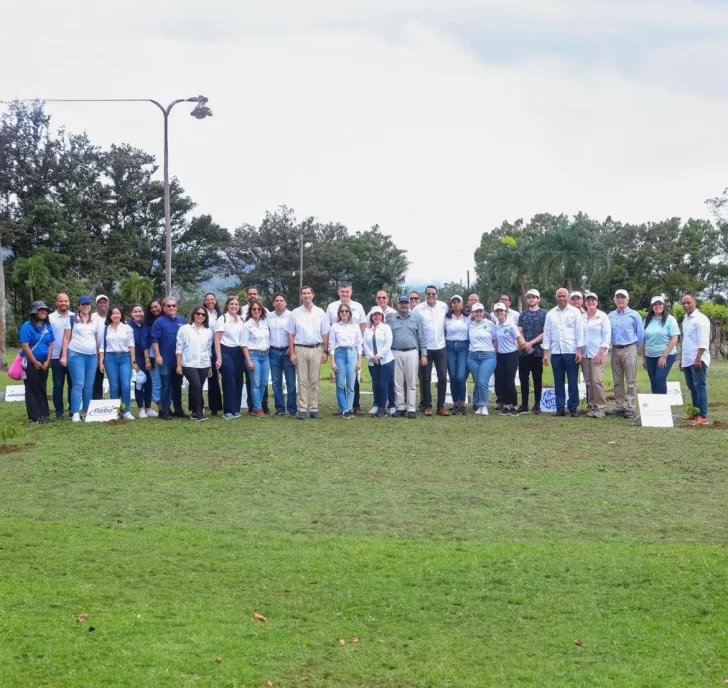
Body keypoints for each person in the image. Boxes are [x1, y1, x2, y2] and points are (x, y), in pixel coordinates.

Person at [288, 286, 330, 420]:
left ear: (313, 295)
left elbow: (325, 333)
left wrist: (325, 351)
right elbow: (291, 334)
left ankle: (314, 408)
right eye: (304, 293)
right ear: (301, 296)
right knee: (302, 380)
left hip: (317, 348)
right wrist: (292, 353)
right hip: (300, 348)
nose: (306, 296)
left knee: (314, 380)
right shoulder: (295, 313)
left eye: (308, 293)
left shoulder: (320, 312)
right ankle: (302, 409)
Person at [543, 288, 585, 417]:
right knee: (558, 381)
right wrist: (545, 353)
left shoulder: (575, 312)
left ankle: (573, 408)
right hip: (556, 352)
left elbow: (579, 332)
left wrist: (579, 351)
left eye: (564, 296)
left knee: (572, 381)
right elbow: (547, 334)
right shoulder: (551, 314)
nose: (562, 298)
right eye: (559, 296)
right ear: (556, 298)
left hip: (571, 351)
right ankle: (560, 408)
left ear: (568, 297)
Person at [327, 283, 367, 414]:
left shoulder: (358, 309)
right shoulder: (332, 309)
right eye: (342, 291)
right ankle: (344, 408)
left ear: (351, 292)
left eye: (347, 291)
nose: (345, 293)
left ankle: (351, 407)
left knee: (352, 383)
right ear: (339, 292)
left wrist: (360, 358)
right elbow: (330, 338)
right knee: (339, 383)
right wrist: (331, 359)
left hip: (352, 353)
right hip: (339, 353)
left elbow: (361, 333)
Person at [607, 289, 644, 419]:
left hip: (629, 348)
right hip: (615, 349)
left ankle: (630, 407)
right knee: (617, 381)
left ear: (627, 300)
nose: (620, 300)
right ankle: (619, 407)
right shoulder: (610, 315)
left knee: (631, 380)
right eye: (618, 298)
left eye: (623, 298)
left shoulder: (634, 315)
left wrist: (634, 347)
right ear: (615, 300)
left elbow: (640, 334)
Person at [414, 285, 450, 416]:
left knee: (442, 377)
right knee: (426, 378)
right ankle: (428, 406)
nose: (431, 296)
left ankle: (441, 406)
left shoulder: (443, 306)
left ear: (437, 295)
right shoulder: (418, 309)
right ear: (425, 295)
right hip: (426, 348)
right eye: (428, 294)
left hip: (441, 347)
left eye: (433, 294)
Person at [389, 295, 427, 418]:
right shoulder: (392, 319)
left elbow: (421, 337)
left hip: (412, 352)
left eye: (406, 303)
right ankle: (400, 407)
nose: (404, 305)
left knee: (411, 382)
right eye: (402, 303)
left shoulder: (416, 318)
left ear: (409, 304)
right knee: (398, 382)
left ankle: (411, 408)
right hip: (396, 352)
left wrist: (424, 355)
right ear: (397, 304)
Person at [61, 295, 98, 422]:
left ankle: (86, 411)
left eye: (87, 304)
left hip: (92, 356)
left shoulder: (95, 320)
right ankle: (75, 412)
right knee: (78, 384)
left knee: (89, 385)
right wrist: (64, 356)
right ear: (79, 306)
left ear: (90, 305)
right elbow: (66, 339)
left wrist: (99, 355)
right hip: (76, 355)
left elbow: (97, 339)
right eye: (83, 304)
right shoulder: (72, 319)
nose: (86, 306)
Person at [98, 306, 137, 420]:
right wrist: (101, 362)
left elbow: (131, 345)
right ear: (110, 316)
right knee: (114, 387)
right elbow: (101, 347)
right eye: (113, 313)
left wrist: (133, 361)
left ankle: (126, 411)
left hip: (125, 357)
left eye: (118, 313)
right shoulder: (106, 329)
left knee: (125, 386)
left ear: (121, 315)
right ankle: (114, 411)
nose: (115, 315)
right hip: (110, 358)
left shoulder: (127, 328)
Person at [151, 297, 187, 420]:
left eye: (173, 305)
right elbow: (154, 340)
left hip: (179, 360)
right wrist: (157, 355)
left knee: (177, 385)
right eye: (169, 306)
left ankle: (178, 409)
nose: (172, 308)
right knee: (165, 386)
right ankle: (164, 410)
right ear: (164, 308)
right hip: (165, 359)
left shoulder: (182, 321)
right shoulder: (159, 322)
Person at [19, 300, 54, 424]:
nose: (44, 312)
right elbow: (25, 345)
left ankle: (44, 414)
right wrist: (34, 361)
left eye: (45, 310)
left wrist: (48, 360)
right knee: (31, 388)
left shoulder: (48, 326)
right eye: (41, 310)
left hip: (44, 363)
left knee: (41, 387)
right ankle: (35, 416)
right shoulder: (27, 326)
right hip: (30, 362)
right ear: (35, 312)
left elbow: (50, 345)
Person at [176, 306, 213, 422]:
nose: (200, 316)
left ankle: (194, 411)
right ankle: (199, 412)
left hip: (204, 363)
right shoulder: (184, 329)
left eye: (203, 314)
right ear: (193, 314)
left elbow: (208, 349)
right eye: (198, 313)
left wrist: (210, 366)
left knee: (197, 387)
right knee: (196, 385)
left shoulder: (208, 331)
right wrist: (178, 365)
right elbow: (179, 347)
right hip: (188, 363)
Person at [680, 294, 711, 426]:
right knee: (692, 387)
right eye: (684, 303)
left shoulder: (701, 319)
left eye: (689, 302)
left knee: (700, 387)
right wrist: (682, 360)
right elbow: (686, 341)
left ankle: (702, 415)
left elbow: (703, 342)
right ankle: (694, 412)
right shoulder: (685, 320)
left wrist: (698, 359)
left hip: (697, 359)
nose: (686, 305)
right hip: (687, 359)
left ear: (695, 302)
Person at [214, 296, 246, 420]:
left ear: (239, 307)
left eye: (236, 304)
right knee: (229, 380)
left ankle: (236, 409)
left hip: (238, 352)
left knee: (238, 380)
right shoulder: (222, 319)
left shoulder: (241, 320)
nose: (234, 306)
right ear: (227, 306)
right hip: (225, 351)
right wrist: (219, 358)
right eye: (231, 304)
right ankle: (227, 410)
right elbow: (217, 340)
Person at [582, 292, 611, 418]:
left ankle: (600, 407)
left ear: (597, 302)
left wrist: (601, 353)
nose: (590, 302)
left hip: (598, 354)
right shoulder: (581, 316)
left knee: (597, 380)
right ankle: (592, 406)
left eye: (593, 300)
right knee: (588, 381)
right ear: (585, 302)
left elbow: (607, 336)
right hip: (584, 354)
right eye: (588, 300)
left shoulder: (603, 316)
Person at [642, 296, 680, 395]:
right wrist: (644, 357)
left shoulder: (670, 319)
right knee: (653, 381)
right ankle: (656, 407)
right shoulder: (647, 320)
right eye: (655, 304)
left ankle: (663, 407)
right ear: (652, 306)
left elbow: (674, 338)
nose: (658, 306)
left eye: (660, 304)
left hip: (666, 354)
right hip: (650, 356)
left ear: (664, 305)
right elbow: (644, 340)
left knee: (660, 379)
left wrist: (664, 356)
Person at [517, 288, 546, 414]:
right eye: (529, 297)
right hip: (524, 352)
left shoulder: (545, 314)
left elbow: (546, 333)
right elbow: (519, 332)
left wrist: (531, 343)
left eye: (534, 297)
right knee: (523, 379)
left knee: (537, 379)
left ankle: (537, 404)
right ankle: (524, 404)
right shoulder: (522, 314)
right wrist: (525, 345)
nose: (531, 299)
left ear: (538, 299)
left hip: (538, 352)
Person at [241, 286, 269, 414]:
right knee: (255, 383)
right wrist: (249, 360)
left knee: (263, 383)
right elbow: (244, 344)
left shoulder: (265, 322)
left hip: (265, 355)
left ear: (261, 310)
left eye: (258, 309)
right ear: (250, 311)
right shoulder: (247, 325)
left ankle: (259, 405)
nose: (256, 310)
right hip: (253, 355)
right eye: (254, 309)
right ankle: (257, 408)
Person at [268, 292, 297, 417]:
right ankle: (280, 408)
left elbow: (296, 333)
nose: (279, 302)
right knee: (276, 382)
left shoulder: (292, 316)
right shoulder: (268, 316)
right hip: (273, 352)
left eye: (281, 300)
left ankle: (292, 409)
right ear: (273, 303)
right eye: (277, 300)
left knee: (291, 382)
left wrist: (292, 350)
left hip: (287, 352)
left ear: (286, 303)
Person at [494, 303, 525, 415]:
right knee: (502, 381)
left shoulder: (511, 325)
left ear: (505, 312)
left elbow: (521, 342)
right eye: (497, 311)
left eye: (501, 311)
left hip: (511, 355)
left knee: (510, 381)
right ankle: (507, 405)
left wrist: (516, 352)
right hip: (501, 356)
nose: (499, 313)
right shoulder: (497, 324)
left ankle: (514, 406)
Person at [363, 306, 394, 419]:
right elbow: (365, 345)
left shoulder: (386, 328)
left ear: (382, 316)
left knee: (383, 384)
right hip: (372, 362)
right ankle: (377, 406)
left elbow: (388, 343)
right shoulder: (367, 330)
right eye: (374, 315)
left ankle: (382, 409)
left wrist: (378, 356)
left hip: (386, 361)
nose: (377, 317)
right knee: (376, 384)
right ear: (371, 317)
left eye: (379, 315)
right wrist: (372, 357)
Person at [467, 303, 497, 416]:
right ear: (472, 313)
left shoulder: (490, 324)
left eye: (480, 311)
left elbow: (495, 340)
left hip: (488, 356)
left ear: (483, 312)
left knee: (482, 381)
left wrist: (495, 354)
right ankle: (479, 405)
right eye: (476, 312)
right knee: (477, 382)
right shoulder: (469, 325)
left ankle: (484, 405)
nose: (478, 314)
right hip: (473, 357)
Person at [48, 293, 73, 419]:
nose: (64, 303)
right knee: (58, 384)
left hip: (73, 356)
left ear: (69, 302)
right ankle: (59, 412)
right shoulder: (50, 318)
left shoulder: (74, 317)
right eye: (61, 301)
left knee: (72, 383)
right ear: (56, 303)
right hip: (55, 356)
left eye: (66, 301)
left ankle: (72, 410)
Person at [130, 303, 156, 418]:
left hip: (149, 355)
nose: (138, 314)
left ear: (143, 313)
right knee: (139, 381)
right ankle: (141, 408)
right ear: (131, 314)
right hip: (136, 356)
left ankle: (148, 407)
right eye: (135, 311)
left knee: (149, 381)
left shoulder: (148, 324)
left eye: (140, 311)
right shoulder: (128, 326)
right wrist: (133, 361)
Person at [444, 295, 469, 414]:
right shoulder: (447, 318)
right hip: (450, 348)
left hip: (463, 347)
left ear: (462, 304)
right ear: (451, 305)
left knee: (460, 377)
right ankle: (455, 404)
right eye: (453, 302)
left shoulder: (469, 317)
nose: (456, 303)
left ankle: (462, 404)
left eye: (458, 301)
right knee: (453, 377)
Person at [204, 293, 223, 416]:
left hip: (218, 347)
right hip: (203, 347)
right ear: (204, 301)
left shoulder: (220, 315)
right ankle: (197, 406)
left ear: (215, 301)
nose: (210, 301)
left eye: (212, 299)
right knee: (203, 377)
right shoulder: (200, 313)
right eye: (208, 299)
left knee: (215, 378)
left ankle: (215, 407)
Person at [145, 300, 164, 412]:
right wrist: (148, 359)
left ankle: (167, 404)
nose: (154, 309)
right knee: (156, 381)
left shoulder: (168, 319)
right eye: (151, 308)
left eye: (156, 307)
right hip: (153, 354)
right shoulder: (148, 323)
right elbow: (145, 342)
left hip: (167, 353)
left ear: (161, 306)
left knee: (167, 380)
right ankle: (160, 406)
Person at [92, 294, 110, 400]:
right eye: (100, 302)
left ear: (108, 304)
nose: (103, 304)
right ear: (96, 304)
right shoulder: (92, 317)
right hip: (96, 353)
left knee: (115, 381)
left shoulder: (114, 315)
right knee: (97, 379)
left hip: (111, 353)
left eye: (105, 302)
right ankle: (97, 401)